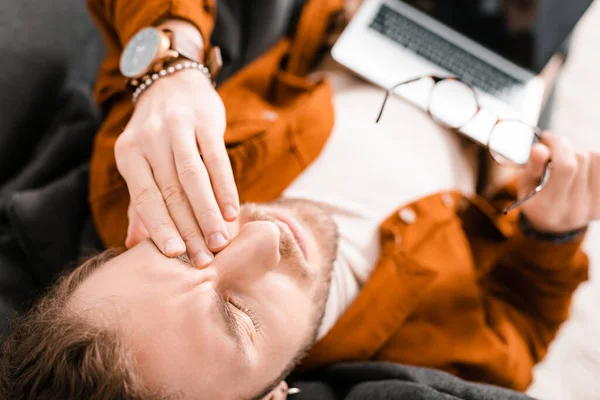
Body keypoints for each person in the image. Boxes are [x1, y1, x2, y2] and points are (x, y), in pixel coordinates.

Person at [1, 0, 598, 399]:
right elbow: (524, 324)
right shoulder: (430, 346)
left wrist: (168, 68)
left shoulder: (135, 182)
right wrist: (555, 237)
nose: (262, 233)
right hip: (503, 118)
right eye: (239, 315)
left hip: (374, 20)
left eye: (182, 252)